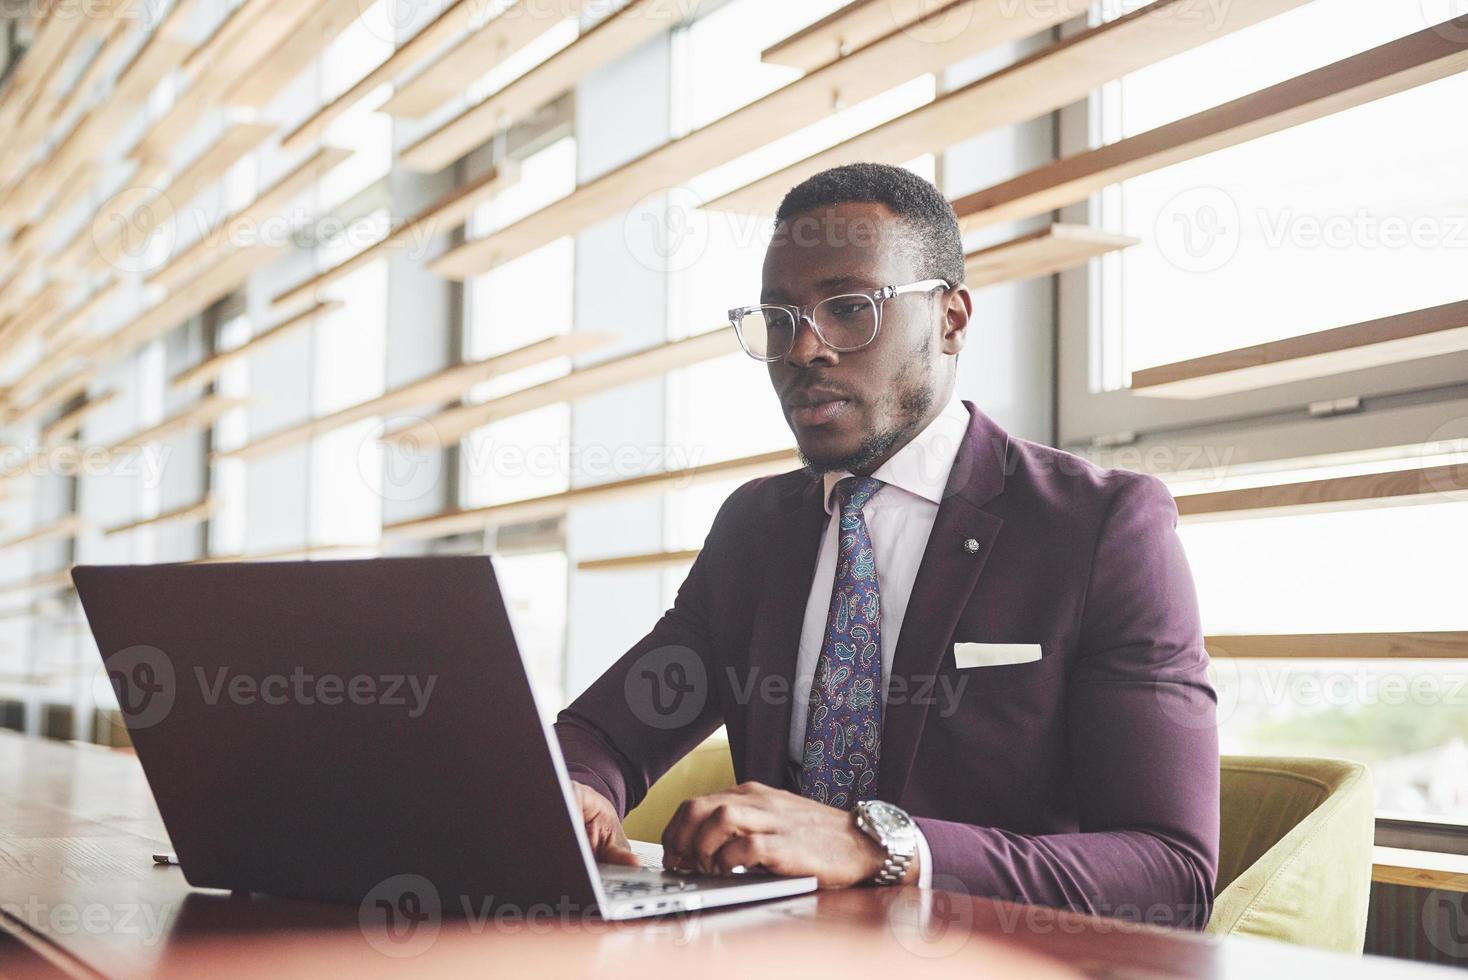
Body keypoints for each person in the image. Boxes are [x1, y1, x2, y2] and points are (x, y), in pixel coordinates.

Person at [554, 162, 1219, 926]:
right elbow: (607, 730)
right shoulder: (755, 530)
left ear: (952, 319)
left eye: (847, 308)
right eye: (779, 318)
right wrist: (581, 789)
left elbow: (1171, 873)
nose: (803, 349)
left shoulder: (1100, 528)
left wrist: (879, 846)